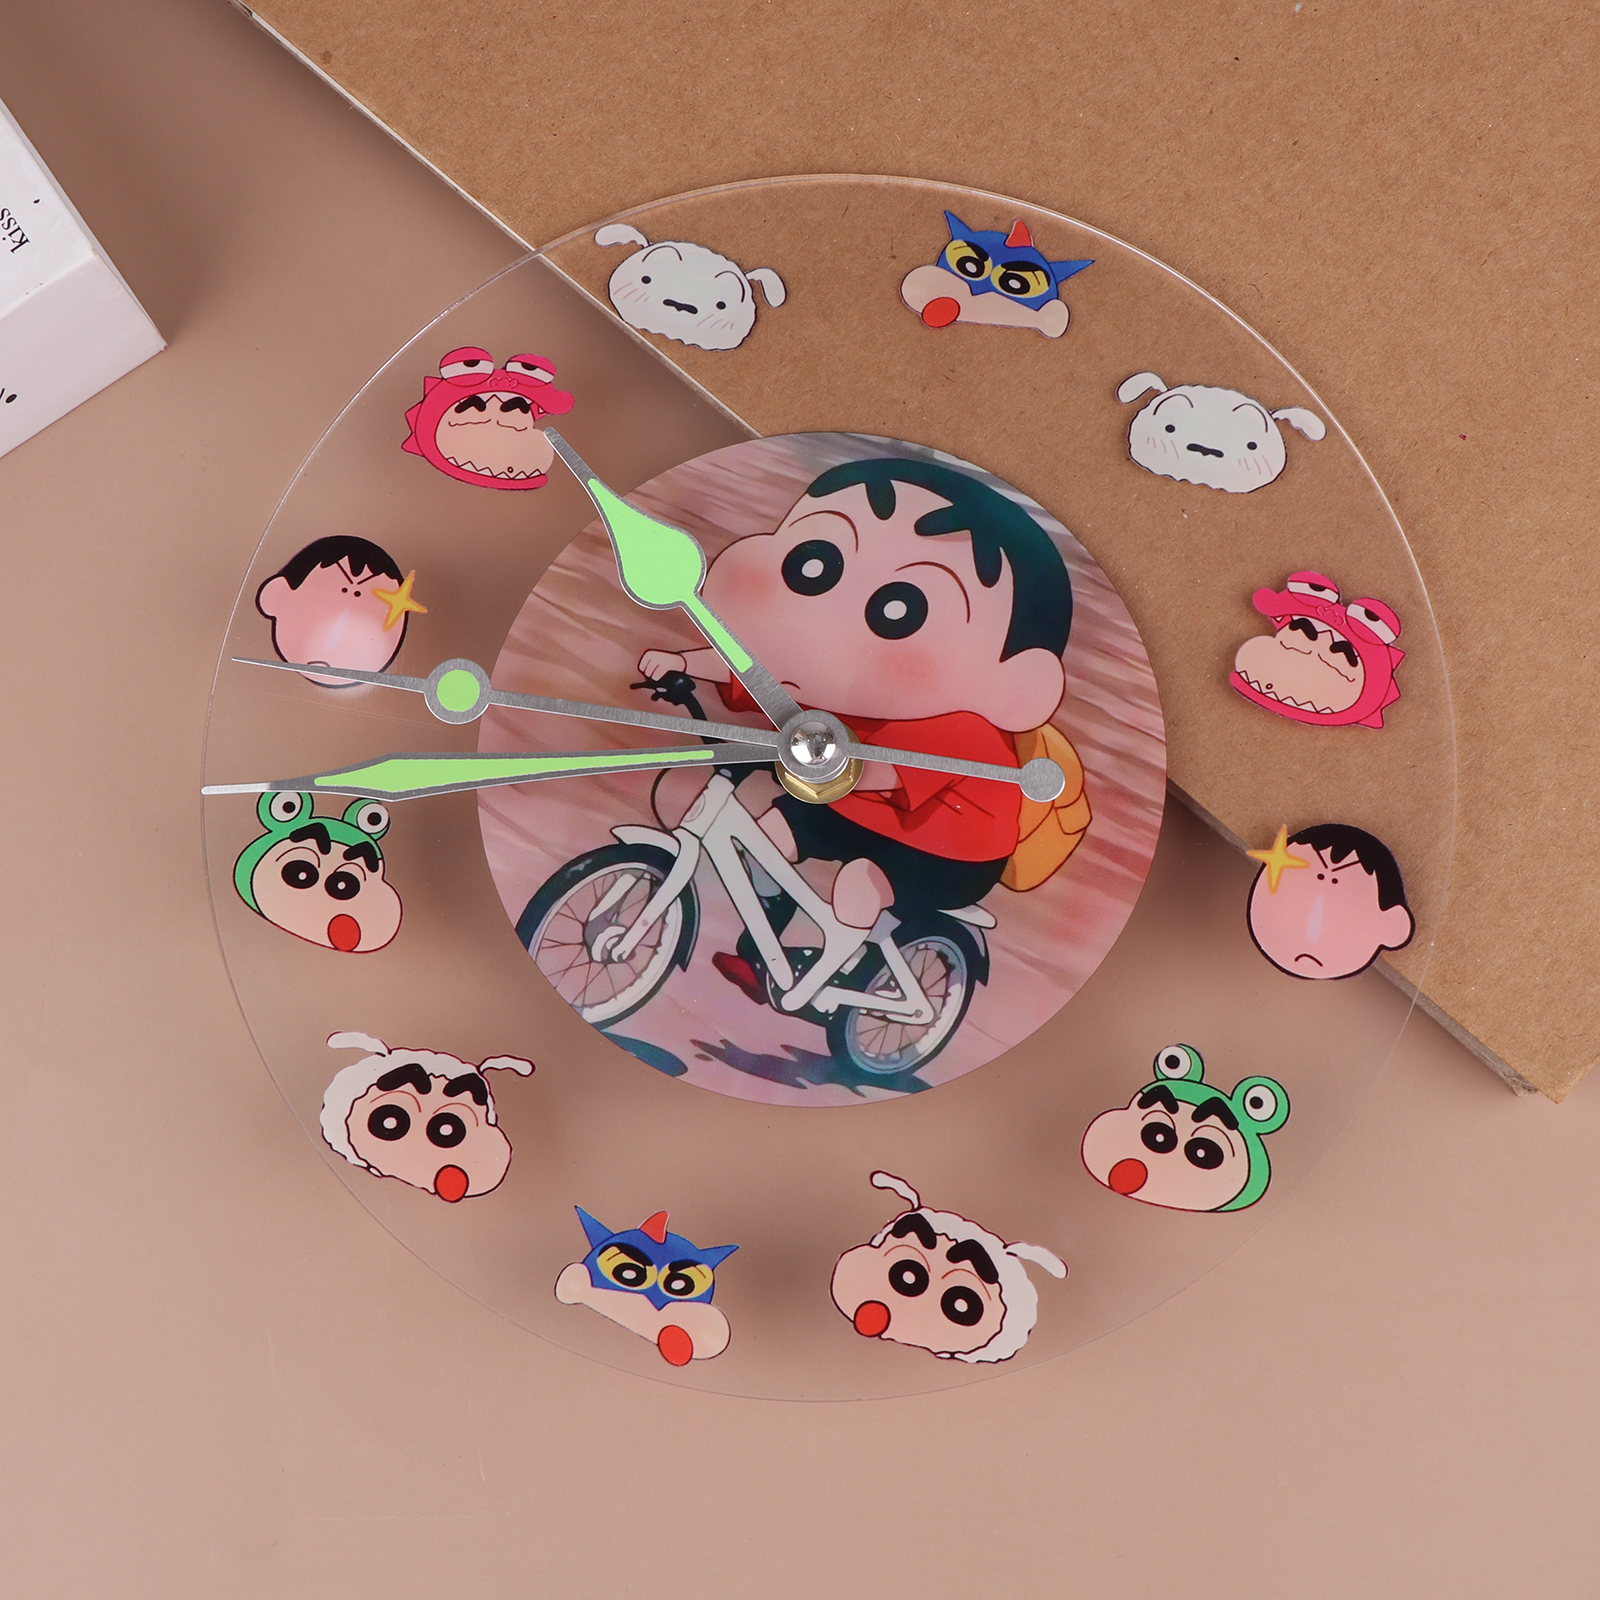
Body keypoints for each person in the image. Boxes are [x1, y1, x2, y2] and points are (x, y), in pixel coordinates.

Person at [637, 457, 1074, 999]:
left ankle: (830, 973)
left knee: (858, 886)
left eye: (900, 610)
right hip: (860, 811)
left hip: (949, 850)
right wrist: (683, 663)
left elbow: (877, 775)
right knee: (768, 840)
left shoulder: (961, 730)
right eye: (813, 566)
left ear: (1017, 682)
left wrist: (801, 757)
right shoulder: (851, 689)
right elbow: (769, 677)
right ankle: (762, 957)